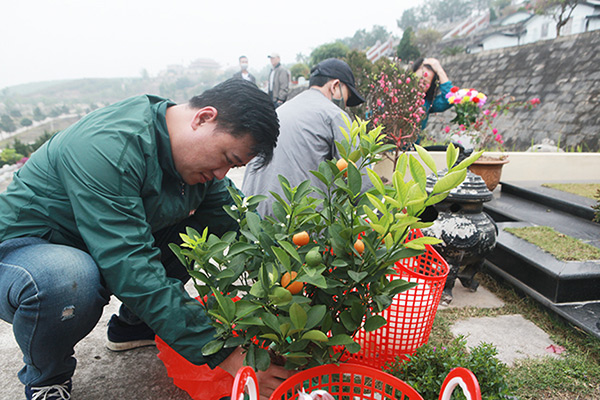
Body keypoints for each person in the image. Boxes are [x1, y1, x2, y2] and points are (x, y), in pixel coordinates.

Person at [0, 79, 293, 399]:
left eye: (233, 166)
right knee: (69, 277)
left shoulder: (198, 166)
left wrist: (297, 278)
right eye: (227, 157)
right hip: (24, 253)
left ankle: (133, 326)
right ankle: (46, 378)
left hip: (94, 247)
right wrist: (231, 357)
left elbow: (239, 224)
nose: (223, 173)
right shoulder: (109, 145)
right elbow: (130, 264)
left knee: (196, 236)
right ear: (203, 118)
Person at [242, 58, 367, 218]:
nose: (345, 106)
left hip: (252, 217)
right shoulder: (334, 115)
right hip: (296, 224)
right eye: (347, 99)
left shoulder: (281, 111)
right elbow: (358, 180)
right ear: (335, 86)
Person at [412, 57, 453, 134]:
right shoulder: (393, 95)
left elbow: (449, 99)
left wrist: (439, 70)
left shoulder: (427, 104)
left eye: (425, 83)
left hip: (412, 146)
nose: (420, 84)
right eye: (419, 79)